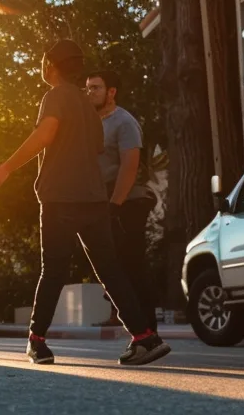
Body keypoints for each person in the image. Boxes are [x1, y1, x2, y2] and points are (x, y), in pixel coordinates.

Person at [0, 40, 169, 367]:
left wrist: (6, 168)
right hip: (94, 200)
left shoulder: (55, 96)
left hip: (60, 198)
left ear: (51, 66)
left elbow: (45, 135)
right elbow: (98, 146)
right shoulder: (88, 106)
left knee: (53, 270)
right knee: (110, 270)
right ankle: (145, 337)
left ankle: (37, 342)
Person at [87, 70, 156, 332]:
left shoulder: (123, 122)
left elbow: (129, 166)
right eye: (88, 88)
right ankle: (124, 317)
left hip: (127, 203)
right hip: (103, 201)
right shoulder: (93, 123)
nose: (90, 92)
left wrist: (115, 205)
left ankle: (148, 330)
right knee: (110, 264)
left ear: (111, 92)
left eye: (96, 87)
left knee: (133, 265)